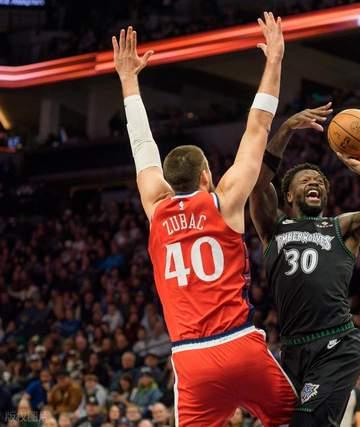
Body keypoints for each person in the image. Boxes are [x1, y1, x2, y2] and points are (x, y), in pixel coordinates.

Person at [112, 15, 296, 425]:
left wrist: (128, 80)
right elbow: (258, 127)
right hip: (239, 344)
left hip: (191, 358)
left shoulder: (156, 207)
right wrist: (275, 60)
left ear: (168, 180)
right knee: (295, 420)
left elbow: (142, 144)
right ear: (206, 176)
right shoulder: (224, 201)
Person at [249, 104, 360, 426]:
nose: (315, 184)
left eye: (320, 182)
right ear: (288, 196)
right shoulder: (274, 227)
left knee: (307, 423)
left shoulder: (342, 228)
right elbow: (258, 182)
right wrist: (286, 129)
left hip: (336, 344)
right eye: (306, 181)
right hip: (292, 349)